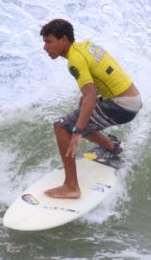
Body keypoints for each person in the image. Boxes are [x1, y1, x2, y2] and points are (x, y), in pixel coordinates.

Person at [41, 19, 142, 199]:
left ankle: (71, 187)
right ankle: (112, 148)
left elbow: (91, 96)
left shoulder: (74, 60)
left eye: (49, 42)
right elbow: (94, 86)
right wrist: (81, 117)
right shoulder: (86, 46)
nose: (45, 47)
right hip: (132, 98)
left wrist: (77, 132)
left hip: (121, 104)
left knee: (62, 126)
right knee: (82, 114)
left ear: (64, 40)